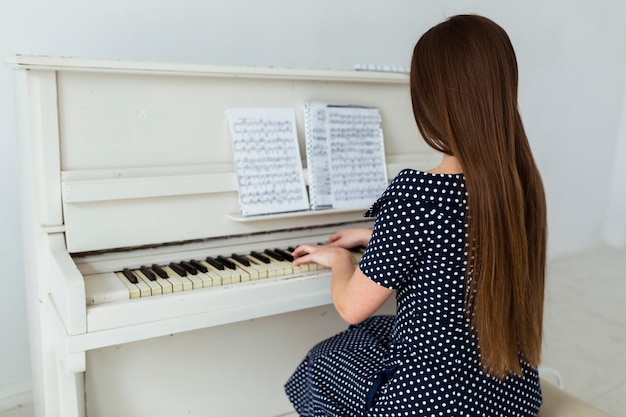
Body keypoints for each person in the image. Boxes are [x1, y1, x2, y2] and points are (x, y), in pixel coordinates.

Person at [284, 14, 547, 417]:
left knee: (324, 360)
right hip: (514, 400)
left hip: (433, 405)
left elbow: (351, 307)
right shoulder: (519, 184)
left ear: (429, 100)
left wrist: (339, 261)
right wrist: (377, 238)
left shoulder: (416, 193)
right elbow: (463, 244)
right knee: (380, 334)